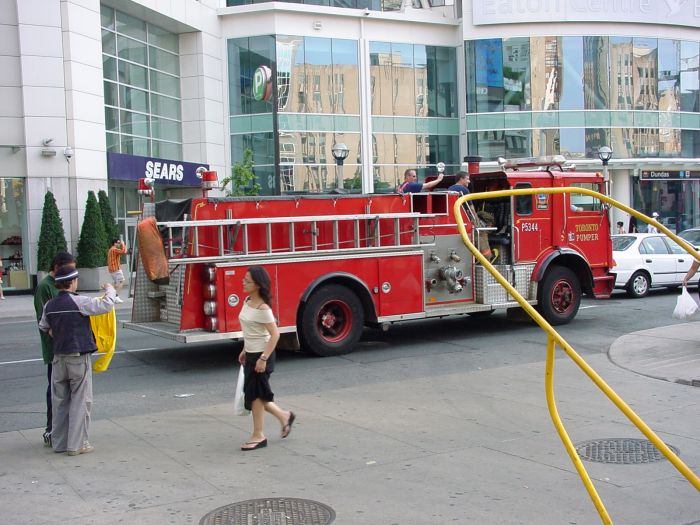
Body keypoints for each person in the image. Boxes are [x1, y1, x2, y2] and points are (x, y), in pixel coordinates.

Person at [38, 266, 116, 456]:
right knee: (81, 400)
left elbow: (44, 326)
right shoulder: (79, 301)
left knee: (59, 402)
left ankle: (59, 443)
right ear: (72, 282)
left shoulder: (50, 305)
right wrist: (110, 289)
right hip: (77, 356)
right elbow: (106, 305)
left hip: (58, 358)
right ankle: (77, 444)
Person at [237, 265, 295, 451]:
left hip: (262, 356)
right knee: (256, 394)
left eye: (247, 281)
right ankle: (284, 416)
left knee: (255, 396)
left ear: (257, 285)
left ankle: (258, 435)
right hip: (251, 354)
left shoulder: (263, 308)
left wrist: (262, 359)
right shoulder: (247, 301)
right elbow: (251, 330)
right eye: (244, 279)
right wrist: (245, 349)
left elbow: (275, 334)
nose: (243, 283)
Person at [33, 251, 76, 447]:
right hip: (55, 349)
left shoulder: (65, 284)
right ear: (57, 267)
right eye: (69, 269)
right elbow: (43, 322)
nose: (72, 274)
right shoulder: (45, 287)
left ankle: (67, 431)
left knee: (69, 392)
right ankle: (51, 430)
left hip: (69, 348)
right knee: (55, 391)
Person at [107, 238, 128, 303]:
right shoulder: (114, 249)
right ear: (115, 243)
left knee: (116, 283)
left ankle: (110, 295)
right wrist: (123, 244)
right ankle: (116, 296)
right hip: (116, 269)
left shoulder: (111, 250)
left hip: (112, 269)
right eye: (118, 243)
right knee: (122, 281)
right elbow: (124, 251)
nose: (119, 244)